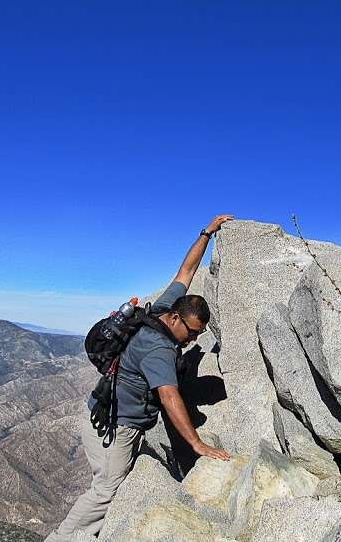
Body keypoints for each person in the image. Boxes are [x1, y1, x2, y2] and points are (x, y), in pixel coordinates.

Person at [49, 214, 234, 541]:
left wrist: (207, 232)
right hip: (113, 428)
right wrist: (197, 443)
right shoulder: (159, 349)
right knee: (106, 490)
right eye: (192, 332)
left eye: (199, 334)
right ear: (176, 318)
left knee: (113, 485)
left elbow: (185, 272)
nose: (193, 340)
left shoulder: (160, 310)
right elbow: (169, 396)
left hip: (108, 415)